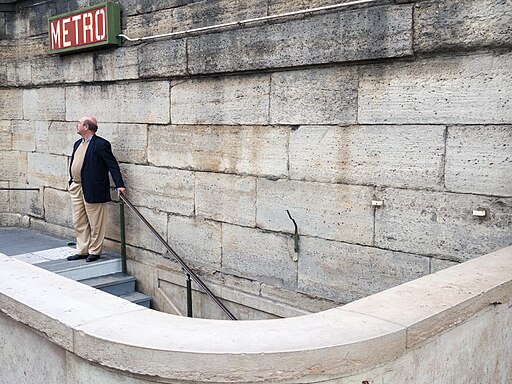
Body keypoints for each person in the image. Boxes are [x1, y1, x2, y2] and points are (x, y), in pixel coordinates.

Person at [67, 116, 126, 262]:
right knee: (79, 221)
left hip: (93, 188)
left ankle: (94, 251)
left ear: (86, 127)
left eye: (79, 123)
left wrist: (120, 184)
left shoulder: (101, 144)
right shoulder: (77, 143)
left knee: (96, 222)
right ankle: (82, 250)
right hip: (76, 187)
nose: (77, 125)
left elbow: (112, 165)